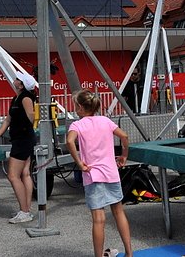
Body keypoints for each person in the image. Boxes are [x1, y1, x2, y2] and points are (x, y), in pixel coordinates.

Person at [66, 90, 133, 257]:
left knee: (98, 219)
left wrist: (79, 162)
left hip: (92, 175)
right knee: (118, 211)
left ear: (80, 108)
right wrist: (124, 155)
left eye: (76, 105)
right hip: (111, 172)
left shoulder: (77, 125)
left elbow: (69, 141)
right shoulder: (105, 121)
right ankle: (130, 252)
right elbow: (124, 136)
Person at [0, 70, 38, 224]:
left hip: (23, 139)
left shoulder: (26, 98)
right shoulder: (16, 98)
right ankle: (26, 210)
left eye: (17, 79)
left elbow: (32, 116)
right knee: (25, 174)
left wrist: (30, 130)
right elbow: (7, 120)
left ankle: (25, 211)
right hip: (21, 138)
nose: (14, 80)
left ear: (21, 85)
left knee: (13, 175)